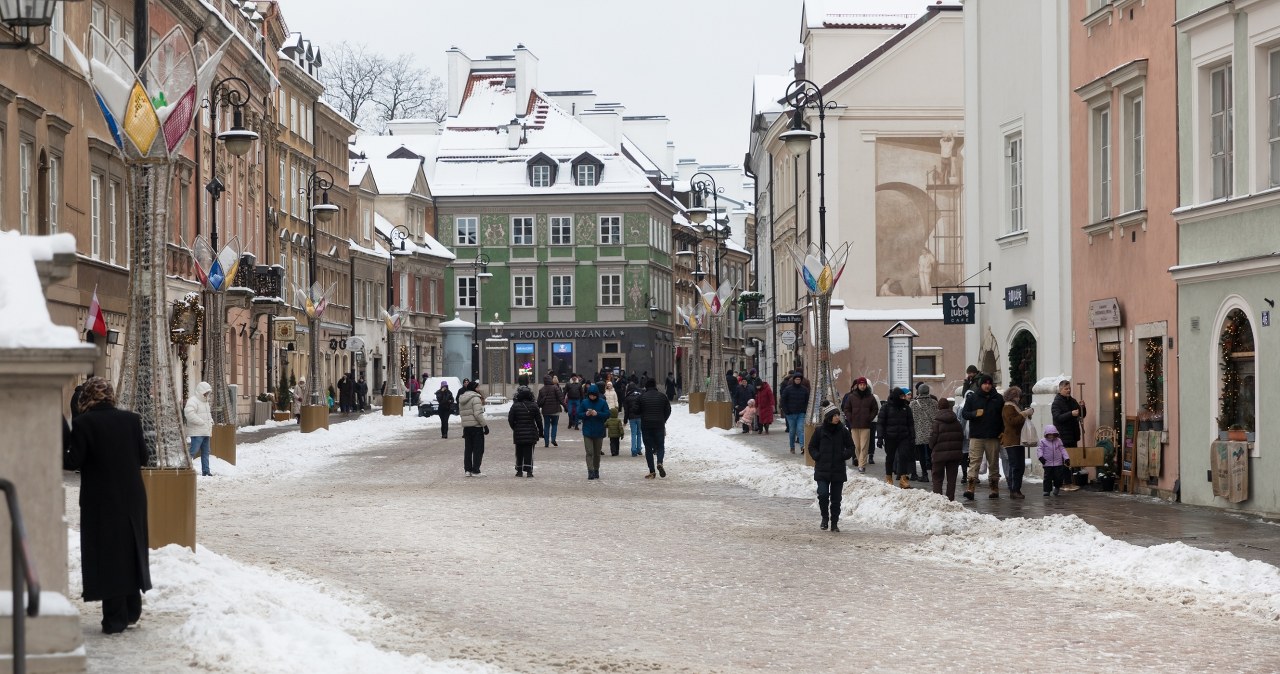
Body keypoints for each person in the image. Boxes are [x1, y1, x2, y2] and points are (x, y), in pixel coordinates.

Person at [62, 377, 151, 634]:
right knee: (130, 550)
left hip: (101, 500)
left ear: (87, 397)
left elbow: (73, 461)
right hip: (132, 497)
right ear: (110, 395)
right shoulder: (131, 420)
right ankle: (132, 610)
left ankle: (115, 619)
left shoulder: (84, 423)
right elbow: (143, 457)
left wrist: (63, 436)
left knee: (108, 555)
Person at [809, 403, 855, 532]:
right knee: (823, 494)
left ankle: (834, 523)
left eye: (838, 415)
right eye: (834, 415)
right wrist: (818, 456)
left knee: (836, 499)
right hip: (822, 468)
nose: (837, 417)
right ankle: (825, 518)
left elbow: (851, 447)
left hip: (837, 469)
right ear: (828, 417)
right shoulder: (819, 431)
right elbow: (811, 446)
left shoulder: (843, 431)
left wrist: (843, 455)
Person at [961, 374, 1004, 500]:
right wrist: (974, 413)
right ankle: (970, 488)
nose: (987, 386)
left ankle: (994, 488)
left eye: (989, 383)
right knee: (974, 462)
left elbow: (1003, 417)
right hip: (977, 436)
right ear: (980, 384)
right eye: (985, 383)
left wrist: (1002, 431)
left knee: (994, 463)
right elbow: (964, 414)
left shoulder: (998, 398)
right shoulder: (973, 398)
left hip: (993, 436)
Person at [876, 387, 915, 489]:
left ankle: (903, 479)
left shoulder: (906, 408)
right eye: (901, 396)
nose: (903, 398)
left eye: (903, 396)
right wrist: (880, 437)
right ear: (896, 397)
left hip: (904, 437)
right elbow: (880, 423)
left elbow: (910, 424)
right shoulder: (886, 407)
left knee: (903, 456)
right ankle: (889, 478)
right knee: (890, 457)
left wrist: (912, 437)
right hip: (890, 437)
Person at [1051, 379, 1086, 490]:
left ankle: (1069, 482)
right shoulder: (1056, 402)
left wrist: (1082, 407)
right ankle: (1065, 483)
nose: (1068, 390)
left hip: (1073, 435)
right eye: (1066, 389)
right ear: (1060, 390)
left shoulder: (1072, 401)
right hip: (1062, 436)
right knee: (1064, 461)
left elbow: (1081, 415)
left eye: (1069, 388)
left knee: (1071, 459)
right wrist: (1071, 413)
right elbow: (1057, 417)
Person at [1000, 386, 1033, 499]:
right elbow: (1013, 422)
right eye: (1017, 396)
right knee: (1016, 466)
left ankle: (1016, 489)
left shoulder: (1015, 407)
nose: (1019, 398)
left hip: (1018, 440)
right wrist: (1024, 414)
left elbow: (1020, 421)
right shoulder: (1008, 407)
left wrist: (1026, 414)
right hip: (1012, 441)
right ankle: (1014, 490)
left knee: (1020, 466)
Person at [929, 398, 965, 501]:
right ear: (949, 407)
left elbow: (932, 439)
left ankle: (938, 499)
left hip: (939, 455)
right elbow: (961, 437)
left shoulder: (936, 422)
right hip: (954, 456)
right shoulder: (956, 422)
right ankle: (950, 499)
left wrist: (932, 447)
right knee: (951, 479)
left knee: (937, 478)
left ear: (938, 407)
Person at [841, 377, 878, 472]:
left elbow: (875, 409)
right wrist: (850, 418)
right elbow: (846, 408)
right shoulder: (852, 397)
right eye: (861, 384)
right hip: (854, 425)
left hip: (865, 426)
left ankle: (862, 465)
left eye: (864, 384)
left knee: (864, 446)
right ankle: (859, 460)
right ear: (857, 385)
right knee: (856, 446)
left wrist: (869, 418)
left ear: (866, 385)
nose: (862, 386)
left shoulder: (870, 397)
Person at [638, 378, 672, 479]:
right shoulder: (662, 396)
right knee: (660, 446)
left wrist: (642, 414)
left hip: (646, 425)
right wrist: (663, 419)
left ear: (646, 386)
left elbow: (635, 409)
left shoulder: (642, 397)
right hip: (659, 425)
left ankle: (652, 471)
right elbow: (668, 410)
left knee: (648, 448)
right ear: (655, 386)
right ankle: (660, 462)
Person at [508, 384, 543, 477]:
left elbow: (510, 419)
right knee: (529, 452)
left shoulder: (515, 406)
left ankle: (519, 470)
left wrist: (514, 427)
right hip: (531, 432)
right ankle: (529, 471)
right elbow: (539, 420)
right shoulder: (534, 406)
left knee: (519, 451)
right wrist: (541, 431)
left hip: (518, 431)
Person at [579, 384, 611, 479]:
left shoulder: (602, 402)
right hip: (587, 431)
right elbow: (578, 414)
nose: (592, 397)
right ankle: (590, 471)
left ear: (597, 395)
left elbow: (607, 414)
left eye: (593, 395)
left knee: (597, 453)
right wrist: (585, 414)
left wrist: (597, 414)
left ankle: (596, 469)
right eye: (590, 395)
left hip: (599, 431)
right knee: (589, 452)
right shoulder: (584, 402)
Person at [183, 381, 214, 477]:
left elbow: (208, 415)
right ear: (201, 391)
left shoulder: (205, 402)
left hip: (206, 431)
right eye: (206, 392)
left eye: (208, 392)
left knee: (206, 452)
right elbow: (189, 414)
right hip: (197, 432)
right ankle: (185, 467)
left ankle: (206, 471)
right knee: (193, 451)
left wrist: (211, 421)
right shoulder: (193, 400)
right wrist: (201, 422)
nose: (207, 394)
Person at [909, 383, 939, 482]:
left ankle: (925, 475)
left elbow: (910, 419)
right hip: (932, 433)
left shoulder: (913, 404)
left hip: (919, 433)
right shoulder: (934, 402)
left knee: (921, 454)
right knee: (932, 454)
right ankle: (935, 474)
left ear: (919, 392)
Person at [458, 381, 488, 476]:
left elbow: (462, 413)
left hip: (466, 427)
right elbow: (477, 414)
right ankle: (476, 470)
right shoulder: (475, 398)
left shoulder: (462, 398)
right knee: (478, 449)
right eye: (478, 387)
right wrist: (485, 425)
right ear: (474, 388)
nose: (479, 389)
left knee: (468, 449)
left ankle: (467, 470)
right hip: (476, 427)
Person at [779, 373, 810, 454]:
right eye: (796, 379)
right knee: (792, 431)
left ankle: (802, 447)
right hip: (790, 414)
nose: (798, 381)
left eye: (799, 379)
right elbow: (783, 401)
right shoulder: (788, 389)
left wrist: (805, 410)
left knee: (800, 430)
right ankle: (792, 447)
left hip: (801, 413)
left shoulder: (804, 390)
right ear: (793, 380)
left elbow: (808, 401)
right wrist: (786, 411)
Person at [1038, 424, 1071, 496]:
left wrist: (1066, 458)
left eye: (1053, 434)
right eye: (1049, 434)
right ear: (1046, 434)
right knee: (1047, 477)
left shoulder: (1058, 441)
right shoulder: (1043, 441)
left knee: (1058, 477)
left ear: (1056, 434)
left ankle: (1057, 487)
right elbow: (1040, 449)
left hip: (1058, 463)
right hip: (1047, 463)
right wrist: (1040, 457)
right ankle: (1047, 490)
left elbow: (1062, 449)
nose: (1051, 436)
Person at [537, 374, 566, 448]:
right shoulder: (555, 388)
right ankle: (553, 439)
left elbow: (538, 402)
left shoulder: (541, 390)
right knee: (554, 425)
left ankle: (546, 442)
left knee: (546, 426)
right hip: (555, 410)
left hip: (545, 411)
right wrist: (566, 407)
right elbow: (561, 399)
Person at [623, 381, 644, 457]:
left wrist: (625, 420)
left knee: (633, 433)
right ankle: (639, 449)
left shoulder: (627, 398)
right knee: (639, 433)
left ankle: (633, 450)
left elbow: (626, 411)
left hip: (631, 417)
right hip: (640, 417)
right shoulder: (640, 396)